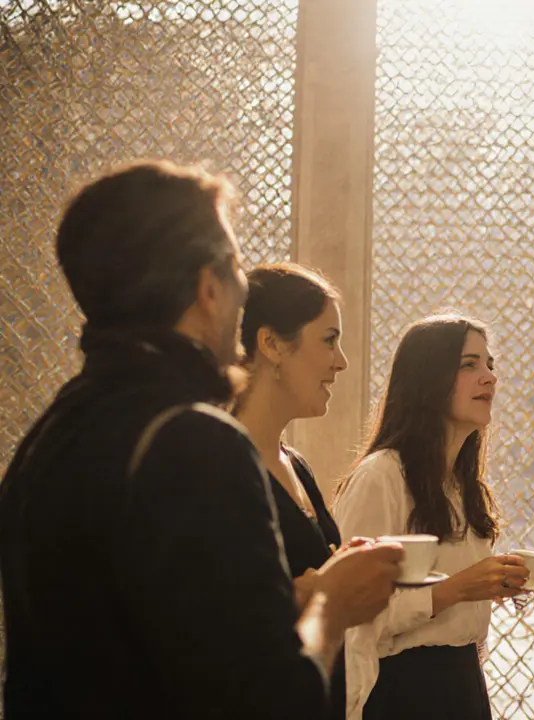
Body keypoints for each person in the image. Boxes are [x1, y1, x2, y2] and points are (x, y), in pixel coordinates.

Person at [0, 160, 402, 718]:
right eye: (236, 267)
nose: (243, 291)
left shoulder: (46, 438)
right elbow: (275, 701)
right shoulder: (196, 442)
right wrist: (332, 606)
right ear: (208, 288)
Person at [335, 314, 530, 720]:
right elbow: (349, 613)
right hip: (404, 691)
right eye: (469, 364)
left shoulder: (463, 486)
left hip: (463, 685)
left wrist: (490, 584)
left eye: (490, 364)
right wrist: (456, 589)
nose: (490, 378)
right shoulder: (382, 477)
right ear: (428, 378)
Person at [234, 262, 351, 719]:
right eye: (329, 339)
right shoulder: (220, 466)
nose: (341, 361)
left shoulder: (296, 465)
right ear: (272, 344)